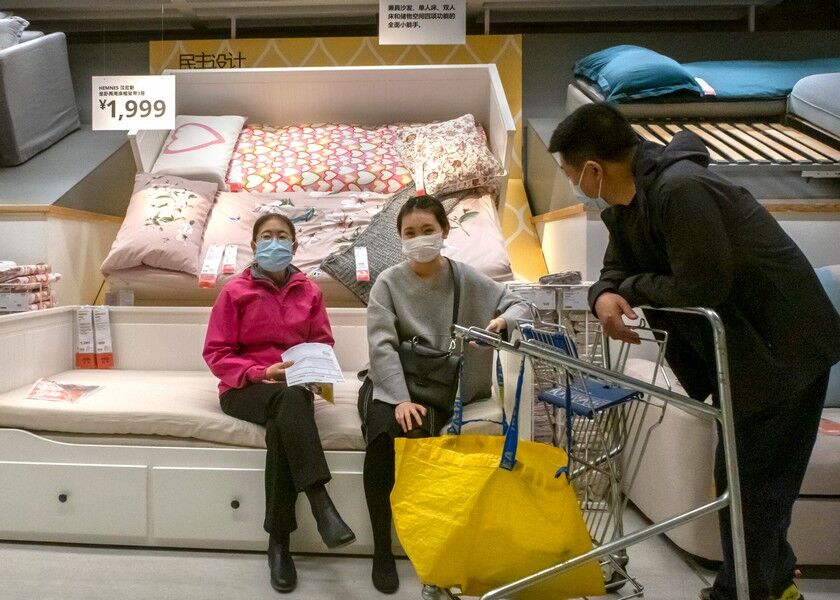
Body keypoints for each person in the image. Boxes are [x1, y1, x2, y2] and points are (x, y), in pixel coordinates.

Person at [549, 103, 840, 600]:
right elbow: (614, 267)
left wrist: (632, 289)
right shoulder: (624, 203)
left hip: (786, 349)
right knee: (743, 480)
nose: (574, 183)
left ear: (593, 169)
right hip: (746, 357)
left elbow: (703, 282)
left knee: (753, 488)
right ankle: (772, 583)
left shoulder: (682, 190)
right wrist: (603, 296)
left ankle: (742, 591)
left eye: (571, 172)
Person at [360, 195, 530, 597]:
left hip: (439, 388)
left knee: (418, 444)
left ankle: (429, 549)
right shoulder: (387, 282)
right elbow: (381, 346)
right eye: (410, 233)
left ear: (444, 232)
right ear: (400, 239)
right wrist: (399, 399)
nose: (419, 239)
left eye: (427, 231)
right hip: (392, 384)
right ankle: (382, 550)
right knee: (383, 440)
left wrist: (502, 321)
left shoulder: (466, 278)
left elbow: (522, 304)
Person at [203, 213, 356, 594]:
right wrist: (260, 372)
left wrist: (314, 370)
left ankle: (279, 544)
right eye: (267, 237)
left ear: (295, 246)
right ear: (254, 247)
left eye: (282, 236)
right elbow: (216, 354)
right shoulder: (234, 291)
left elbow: (322, 343)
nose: (275, 242)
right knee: (288, 403)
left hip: (293, 388)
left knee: (283, 423)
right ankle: (321, 502)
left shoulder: (310, 292)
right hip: (244, 388)